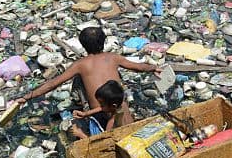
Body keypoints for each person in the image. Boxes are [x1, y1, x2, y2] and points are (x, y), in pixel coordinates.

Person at [16, 26, 158, 124]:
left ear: (83, 45)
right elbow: (138, 67)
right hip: (117, 106)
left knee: (79, 78)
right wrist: (153, 68)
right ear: (103, 42)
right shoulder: (113, 57)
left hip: (99, 112)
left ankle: (81, 104)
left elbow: (53, 84)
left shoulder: (80, 64)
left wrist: (27, 97)